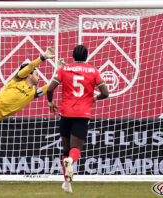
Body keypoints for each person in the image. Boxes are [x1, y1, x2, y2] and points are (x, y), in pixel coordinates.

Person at [47, 45, 109, 193]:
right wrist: (95, 98)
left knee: (66, 149)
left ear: (73, 55)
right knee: (76, 149)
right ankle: (71, 163)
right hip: (82, 114)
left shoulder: (64, 69)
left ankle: (67, 184)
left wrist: (50, 103)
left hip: (65, 113)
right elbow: (105, 92)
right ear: (86, 56)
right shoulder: (93, 71)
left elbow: (50, 89)